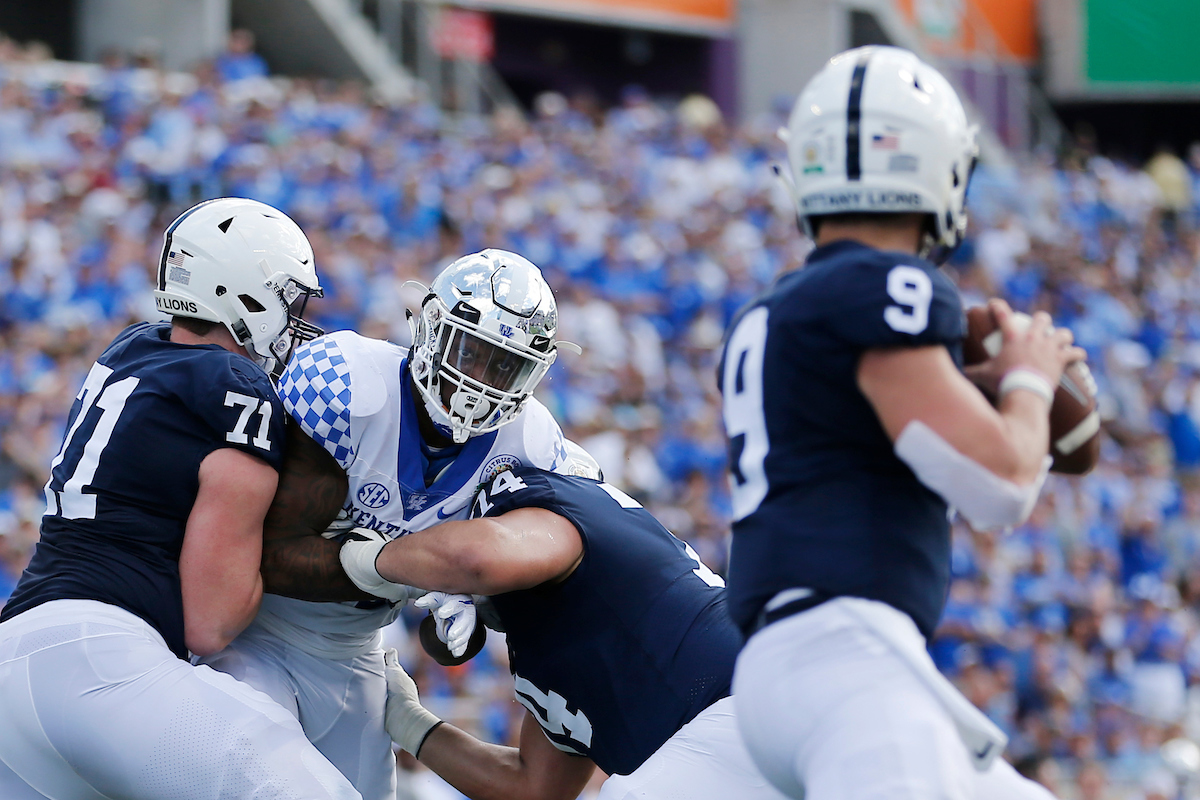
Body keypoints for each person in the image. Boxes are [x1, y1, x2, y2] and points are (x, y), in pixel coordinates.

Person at [718, 46, 1080, 799]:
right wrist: (1029, 378)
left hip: (807, 662)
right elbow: (1003, 484)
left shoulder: (781, 309)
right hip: (843, 658)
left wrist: (973, 384)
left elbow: (879, 434)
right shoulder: (885, 286)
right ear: (941, 169)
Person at [0, 197, 361, 800]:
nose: (294, 322)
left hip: (18, 658)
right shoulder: (234, 384)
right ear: (247, 293)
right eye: (289, 300)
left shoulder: (131, 349)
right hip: (99, 663)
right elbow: (211, 624)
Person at [199, 249, 578, 800]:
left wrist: (480, 605)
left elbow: (446, 644)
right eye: (471, 352)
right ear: (430, 328)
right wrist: (405, 570)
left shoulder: (532, 445)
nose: (480, 380)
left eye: (504, 365)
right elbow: (271, 554)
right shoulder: (348, 384)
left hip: (360, 656)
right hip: (257, 634)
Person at [337, 462, 789, 800]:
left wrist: (376, 560)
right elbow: (534, 788)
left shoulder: (563, 512)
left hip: (749, 705)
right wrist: (411, 723)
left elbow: (477, 559)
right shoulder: (539, 643)